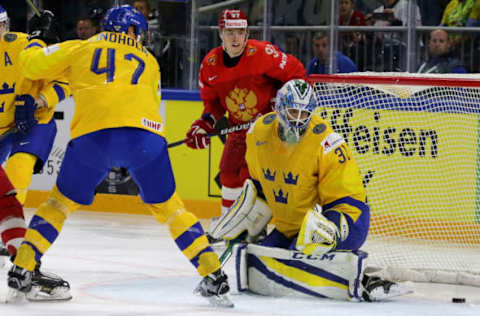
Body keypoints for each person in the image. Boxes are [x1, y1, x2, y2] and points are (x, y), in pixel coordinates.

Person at [7, 5, 233, 308]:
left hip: (93, 138)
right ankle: (214, 274)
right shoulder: (150, 61)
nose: (140, 37)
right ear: (129, 30)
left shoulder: (82, 47)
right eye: (138, 31)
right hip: (146, 140)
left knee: (58, 204)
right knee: (172, 209)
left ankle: (22, 267)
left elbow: (29, 65)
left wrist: (37, 38)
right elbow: (151, 104)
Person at [209, 79, 410, 301]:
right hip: (293, 226)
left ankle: (363, 282)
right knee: (260, 259)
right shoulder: (258, 134)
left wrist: (328, 230)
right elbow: (260, 191)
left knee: (303, 254)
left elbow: (347, 200)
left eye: (304, 114)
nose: (297, 120)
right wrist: (243, 225)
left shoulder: (326, 143)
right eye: (293, 111)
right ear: (279, 108)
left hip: (346, 217)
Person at [184, 9, 306, 217]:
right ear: (221, 33)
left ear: (247, 34)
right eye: (230, 32)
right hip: (238, 130)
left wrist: (284, 103)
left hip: (268, 130)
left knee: (253, 177)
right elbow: (213, 103)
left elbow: (296, 73)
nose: (235, 37)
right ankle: (229, 222)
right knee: (229, 172)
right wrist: (206, 123)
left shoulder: (263, 54)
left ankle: (252, 225)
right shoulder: (210, 65)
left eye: (240, 32)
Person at [0, 6, 71, 301]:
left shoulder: (23, 45)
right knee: (6, 201)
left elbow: (66, 82)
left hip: (33, 124)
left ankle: (23, 262)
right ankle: (23, 260)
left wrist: (40, 98)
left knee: (13, 185)